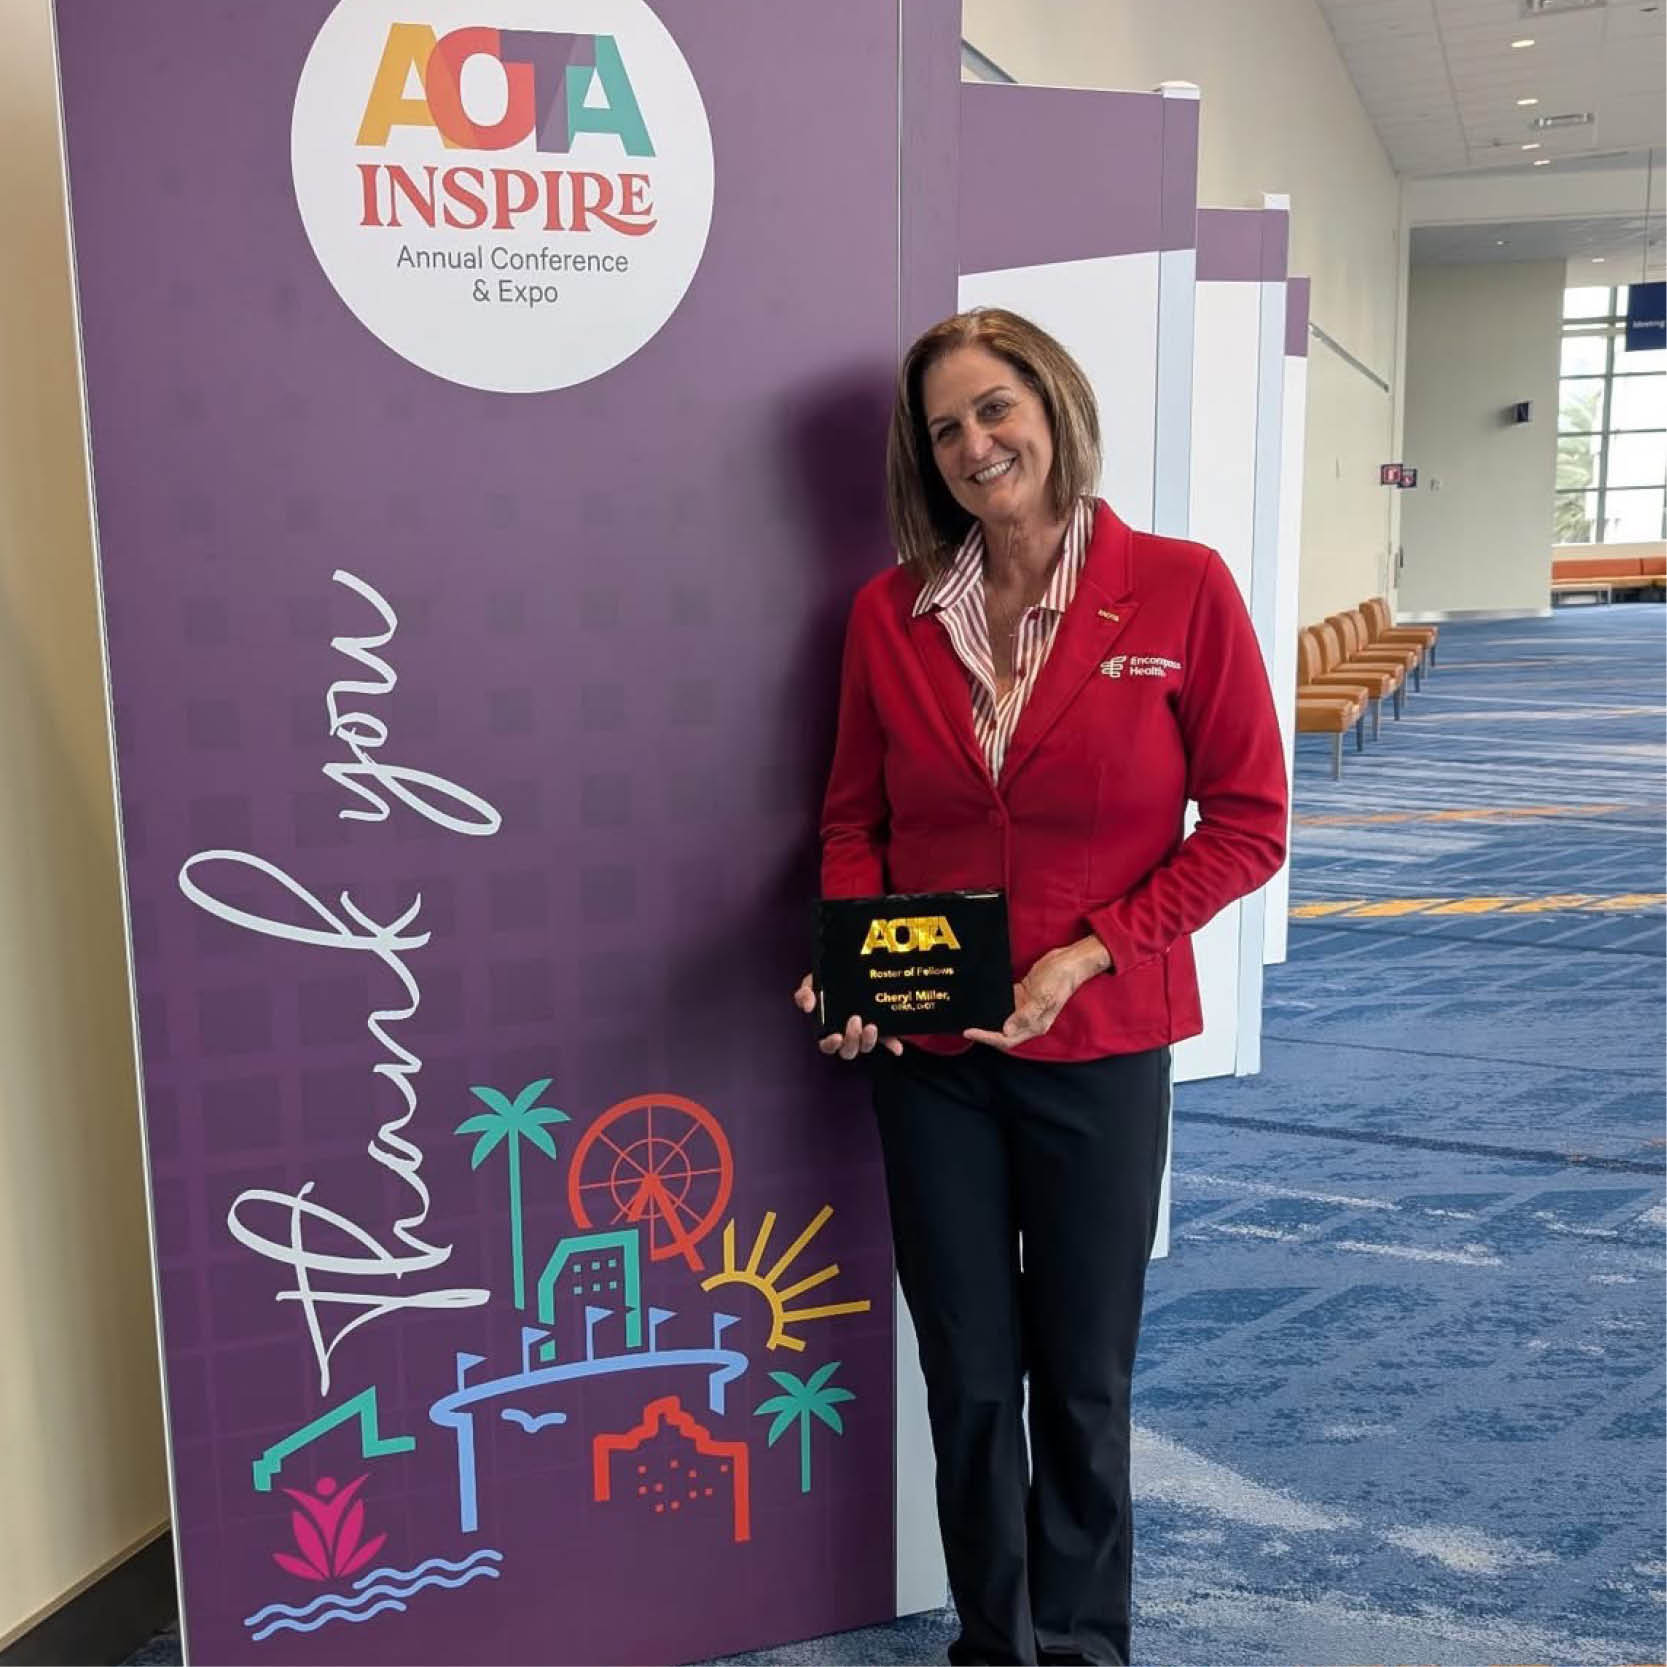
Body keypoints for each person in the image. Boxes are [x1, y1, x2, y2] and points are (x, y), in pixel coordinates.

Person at [793, 308, 1287, 1666]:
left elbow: (1249, 820)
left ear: (1054, 407)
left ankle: (1078, 1647)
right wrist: (854, 966)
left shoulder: (1180, 589)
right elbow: (853, 828)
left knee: (1079, 1381)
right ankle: (989, 1645)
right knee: (965, 1378)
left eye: (995, 408)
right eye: (945, 427)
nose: (974, 443)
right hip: (933, 1061)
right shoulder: (887, 617)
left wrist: (1094, 949)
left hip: (1101, 1043)